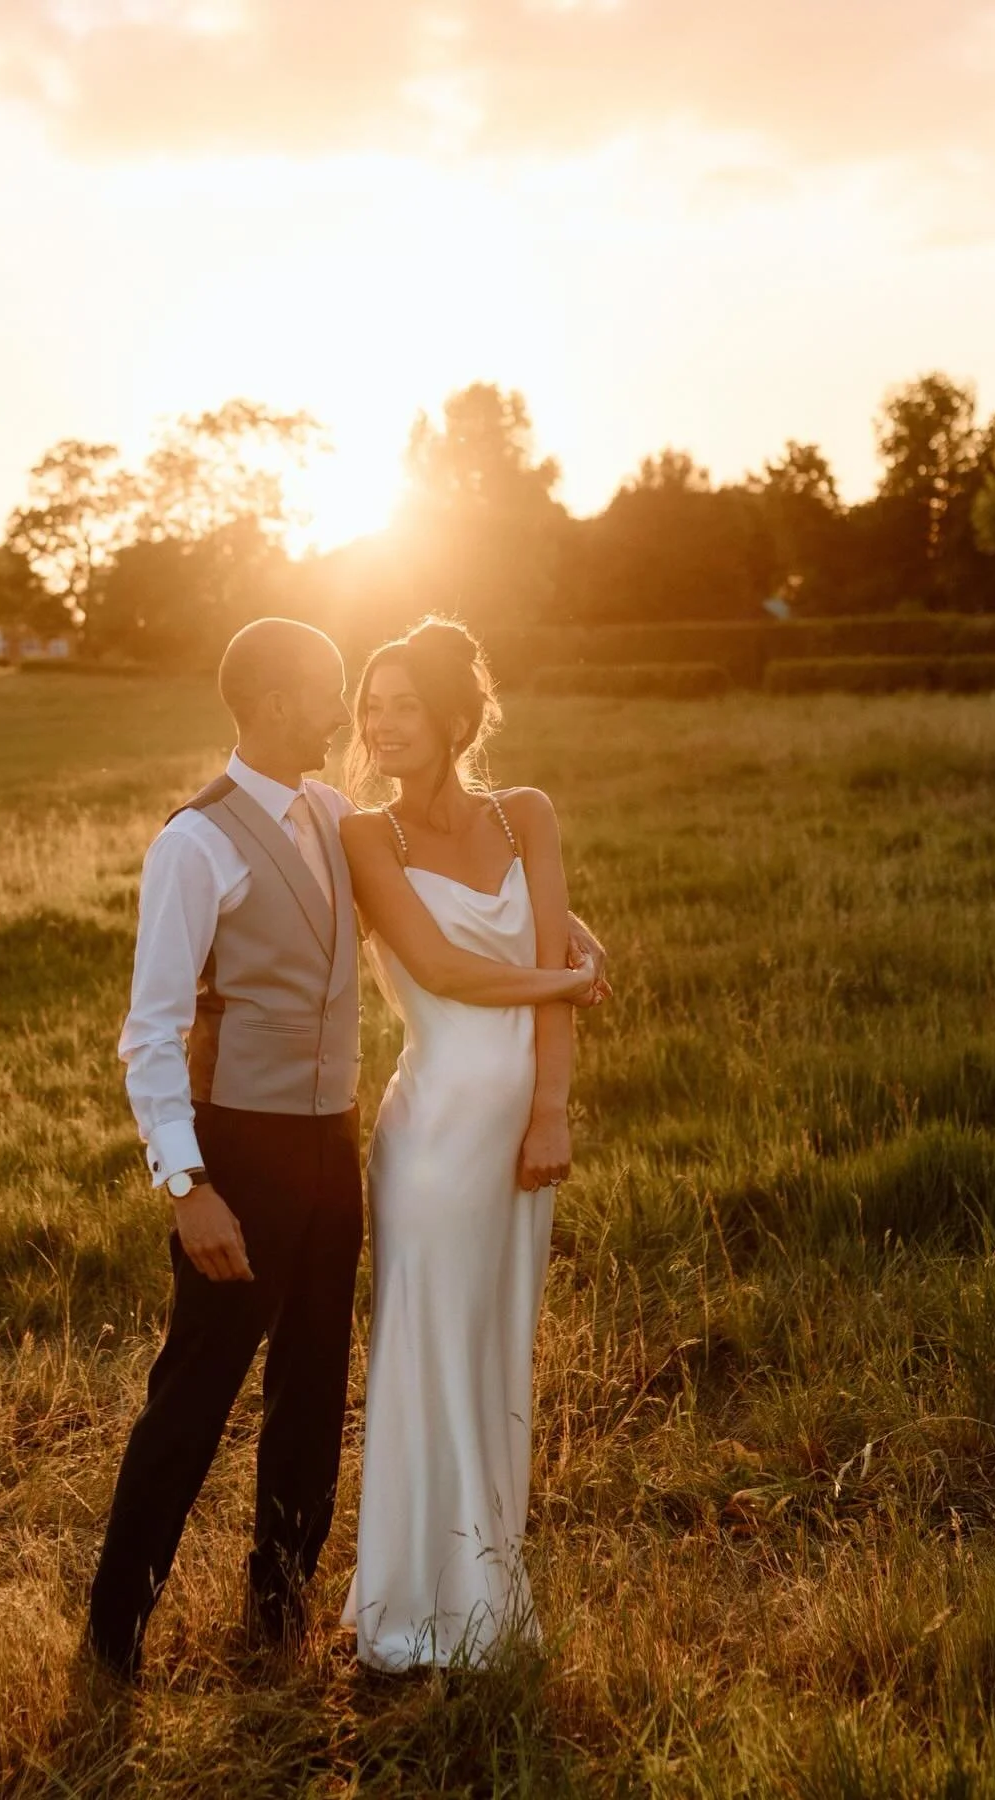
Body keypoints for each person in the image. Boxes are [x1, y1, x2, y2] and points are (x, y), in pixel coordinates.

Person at [86, 617, 603, 1682]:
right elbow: (150, 1031)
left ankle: (276, 1617)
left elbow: (451, 898)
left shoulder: (333, 817)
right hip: (239, 1151)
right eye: (335, 693)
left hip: (333, 1143)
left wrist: (569, 931)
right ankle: (112, 1641)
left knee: (313, 1395)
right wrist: (186, 1182)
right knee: (194, 1395)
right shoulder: (194, 843)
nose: (349, 718)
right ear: (278, 703)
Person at [339, 617, 590, 1670]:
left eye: (404, 705)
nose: (381, 724)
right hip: (434, 1138)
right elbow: (442, 970)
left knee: (494, 1352)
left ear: (453, 718)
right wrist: (565, 975)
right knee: (428, 1354)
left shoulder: (527, 813)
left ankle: (484, 1586)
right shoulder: (367, 836)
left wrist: (551, 1107)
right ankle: (412, 1612)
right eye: (371, 707)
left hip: (518, 1135)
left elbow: (555, 957)